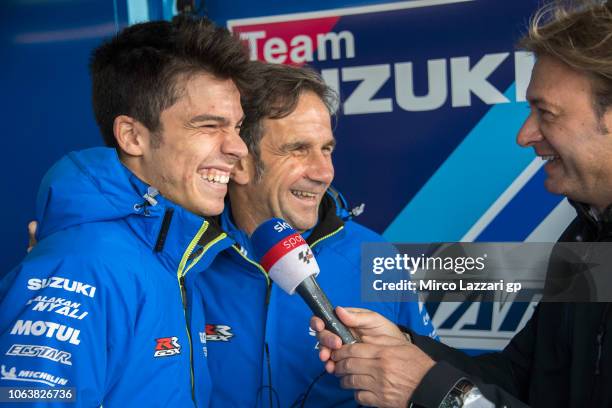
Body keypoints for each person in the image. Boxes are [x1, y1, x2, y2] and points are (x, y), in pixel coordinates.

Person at [311, 1, 612, 407]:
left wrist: (433, 392)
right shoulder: (585, 237)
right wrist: (406, 349)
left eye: (547, 113)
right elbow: (523, 380)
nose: (525, 135)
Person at [0, 16, 250, 407]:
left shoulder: (174, 255)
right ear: (133, 136)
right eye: (209, 125)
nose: (238, 148)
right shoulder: (81, 265)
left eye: (236, 126)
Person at [194, 62, 437, 407]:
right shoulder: (184, 259)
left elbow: (427, 384)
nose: (324, 172)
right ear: (241, 163)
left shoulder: (374, 256)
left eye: (326, 149)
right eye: (298, 149)